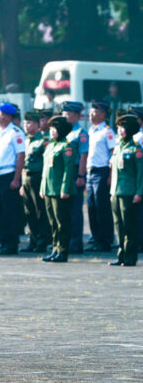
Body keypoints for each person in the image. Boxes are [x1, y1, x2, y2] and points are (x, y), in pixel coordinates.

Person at [0, 102, 26, 254]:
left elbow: (20, 156)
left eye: (1, 114)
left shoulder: (15, 133)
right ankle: (1, 242)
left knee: (9, 212)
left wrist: (16, 179)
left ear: (9, 116)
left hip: (8, 176)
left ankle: (10, 244)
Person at [40, 115, 76, 263]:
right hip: (49, 189)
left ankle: (62, 251)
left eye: (54, 129)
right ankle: (54, 249)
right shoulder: (50, 146)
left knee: (62, 221)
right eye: (50, 129)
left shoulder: (66, 146)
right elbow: (45, 170)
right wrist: (43, 188)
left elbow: (68, 170)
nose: (51, 132)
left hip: (59, 191)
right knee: (52, 222)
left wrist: (65, 189)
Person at [109, 114, 143, 266]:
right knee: (118, 224)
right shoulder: (118, 147)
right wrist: (111, 191)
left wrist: (139, 192)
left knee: (130, 225)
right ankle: (121, 254)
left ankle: (130, 256)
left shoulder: (136, 149)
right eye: (118, 128)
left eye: (122, 128)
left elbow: (141, 173)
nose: (120, 130)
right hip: (116, 191)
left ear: (129, 129)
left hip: (129, 192)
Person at [84, 100, 115, 252]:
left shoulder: (107, 132)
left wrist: (110, 176)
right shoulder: (91, 130)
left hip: (102, 171)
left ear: (102, 114)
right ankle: (96, 239)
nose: (91, 114)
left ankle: (105, 241)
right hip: (90, 172)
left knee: (102, 207)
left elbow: (113, 154)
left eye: (94, 111)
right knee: (91, 207)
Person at [19, 111, 51, 252]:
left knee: (40, 211)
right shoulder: (25, 141)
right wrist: (21, 183)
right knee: (29, 211)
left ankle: (42, 240)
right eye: (25, 123)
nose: (27, 125)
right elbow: (21, 163)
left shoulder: (43, 141)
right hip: (26, 178)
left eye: (30, 123)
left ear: (38, 125)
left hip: (38, 178)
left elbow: (46, 164)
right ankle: (33, 240)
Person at [61, 101, 89, 254]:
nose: (66, 116)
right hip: (63, 172)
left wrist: (81, 176)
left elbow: (84, 155)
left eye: (70, 113)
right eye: (65, 113)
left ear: (77, 116)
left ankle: (76, 242)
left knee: (75, 209)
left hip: (75, 171)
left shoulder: (81, 133)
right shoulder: (62, 131)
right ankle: (64, 240)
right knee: (63, 209)